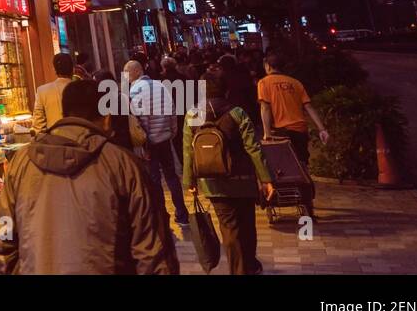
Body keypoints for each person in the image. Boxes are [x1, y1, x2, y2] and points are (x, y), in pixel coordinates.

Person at [0, 80, 179, 275]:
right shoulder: (123, 165)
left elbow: (3, 233)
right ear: (106, 118)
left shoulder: (21, 164)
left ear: (63, 113)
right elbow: (151, 250)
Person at [183, 70, 275, 275]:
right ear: (226, 89)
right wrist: (266, 178)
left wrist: (189, 181)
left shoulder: (192, 114)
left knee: (229, 229)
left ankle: (239, 269)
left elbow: (188, 151)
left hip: (213, 183)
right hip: (243, 181)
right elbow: (253, 148)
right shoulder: (237, 113)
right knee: (247, 225)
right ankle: (248, 265)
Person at [124, 60, 189, 228]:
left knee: (155, 180)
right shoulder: (160, 86)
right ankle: (182, 214)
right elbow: (172, 110)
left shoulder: (134, 90)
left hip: (150, 143)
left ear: (135, 72)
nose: (125, 76)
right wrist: (172, 132)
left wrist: (144, 144)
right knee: (172, 177)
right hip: (164, 139)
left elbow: (140, 119)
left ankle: (162, 216)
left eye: (127, 72)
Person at [257, 50, 330, 167]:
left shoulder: (263, 83)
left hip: (280, 132)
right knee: (302, 164)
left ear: (268, 66)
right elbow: (309, 107)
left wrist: (267, 133)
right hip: (300, 130)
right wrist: (322, 129)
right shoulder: (296, 83)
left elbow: (265, 108)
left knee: (284, 168)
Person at [32, 52, 75, 133]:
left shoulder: (42, 91)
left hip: (55, 141)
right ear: (73, 69)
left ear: (54, 70)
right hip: (80, 141)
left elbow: (38, 126)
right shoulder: (82, 89)